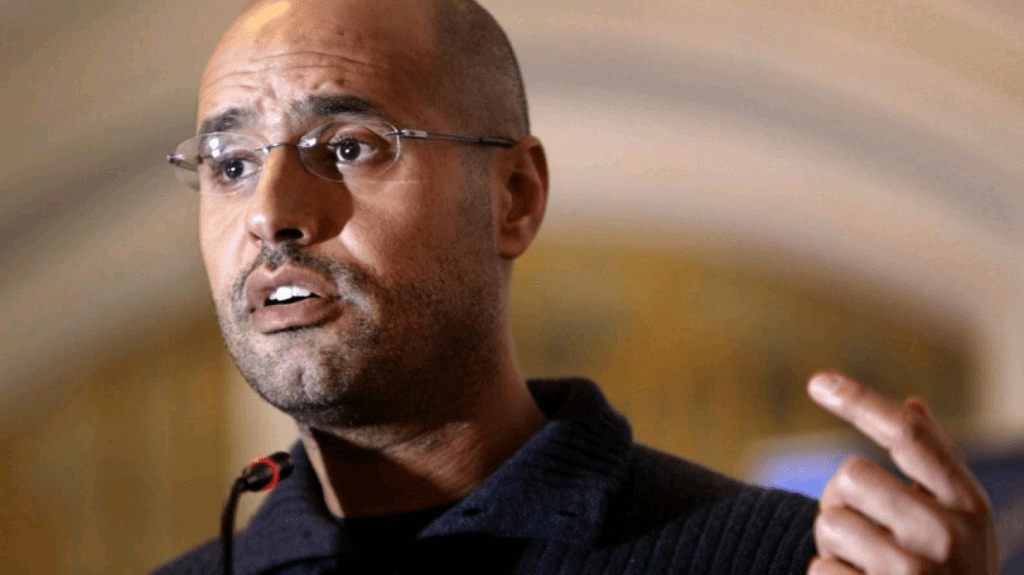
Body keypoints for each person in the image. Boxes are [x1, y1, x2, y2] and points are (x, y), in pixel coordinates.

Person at [154, 0, 1000, 573]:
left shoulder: (787, 560)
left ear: (514, 197)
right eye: (230, 164)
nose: (270, 214)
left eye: (348, 147)